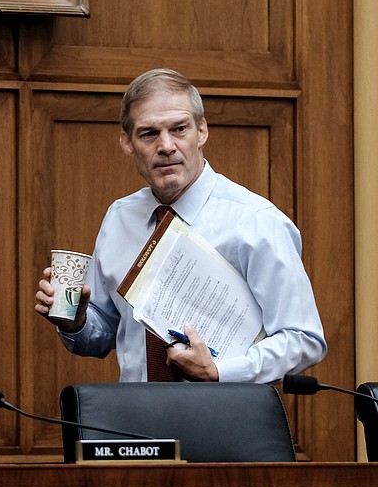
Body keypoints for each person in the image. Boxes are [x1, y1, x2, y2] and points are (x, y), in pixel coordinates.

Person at [35, 68, 326, 383]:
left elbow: (303, 339)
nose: (166, 146)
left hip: (225, 421)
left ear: (202, 131)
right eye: (148, 133)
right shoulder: (119, 219)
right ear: (126, 142)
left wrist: (220, 372)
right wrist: (75, 322)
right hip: (137, 422)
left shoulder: (254, 221)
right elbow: (103, 335)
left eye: (179, 129)